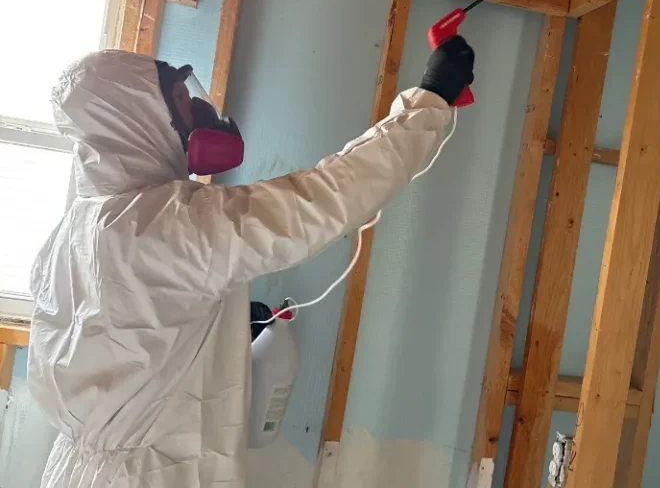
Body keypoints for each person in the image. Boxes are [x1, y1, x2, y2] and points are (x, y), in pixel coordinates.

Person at [27, 36, 475, 488]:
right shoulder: (166, 222)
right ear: (137, 119)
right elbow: (319, 202)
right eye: (181, 101)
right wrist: (430, 100)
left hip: (74, 469)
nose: (195, 113)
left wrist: (218, 319)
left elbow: (133, 333)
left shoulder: (75, 229)